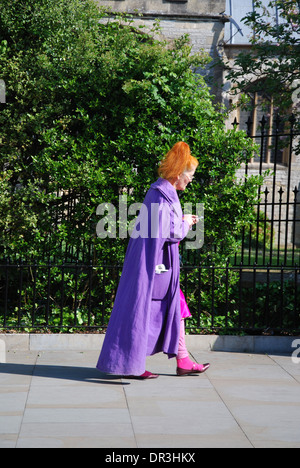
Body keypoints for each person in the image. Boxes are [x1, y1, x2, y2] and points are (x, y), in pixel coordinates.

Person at [96, 141, 210, 379]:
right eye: (190, 175)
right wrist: (186, 224)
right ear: (179, 174)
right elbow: (167, 231)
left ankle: (181, 360)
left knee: (168, 309)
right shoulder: (160, 195)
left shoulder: (164, 193)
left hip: (157, 265)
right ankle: (144, 364)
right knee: (143, 312)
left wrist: (182, 218)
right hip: (154, 267)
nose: (191, 180)